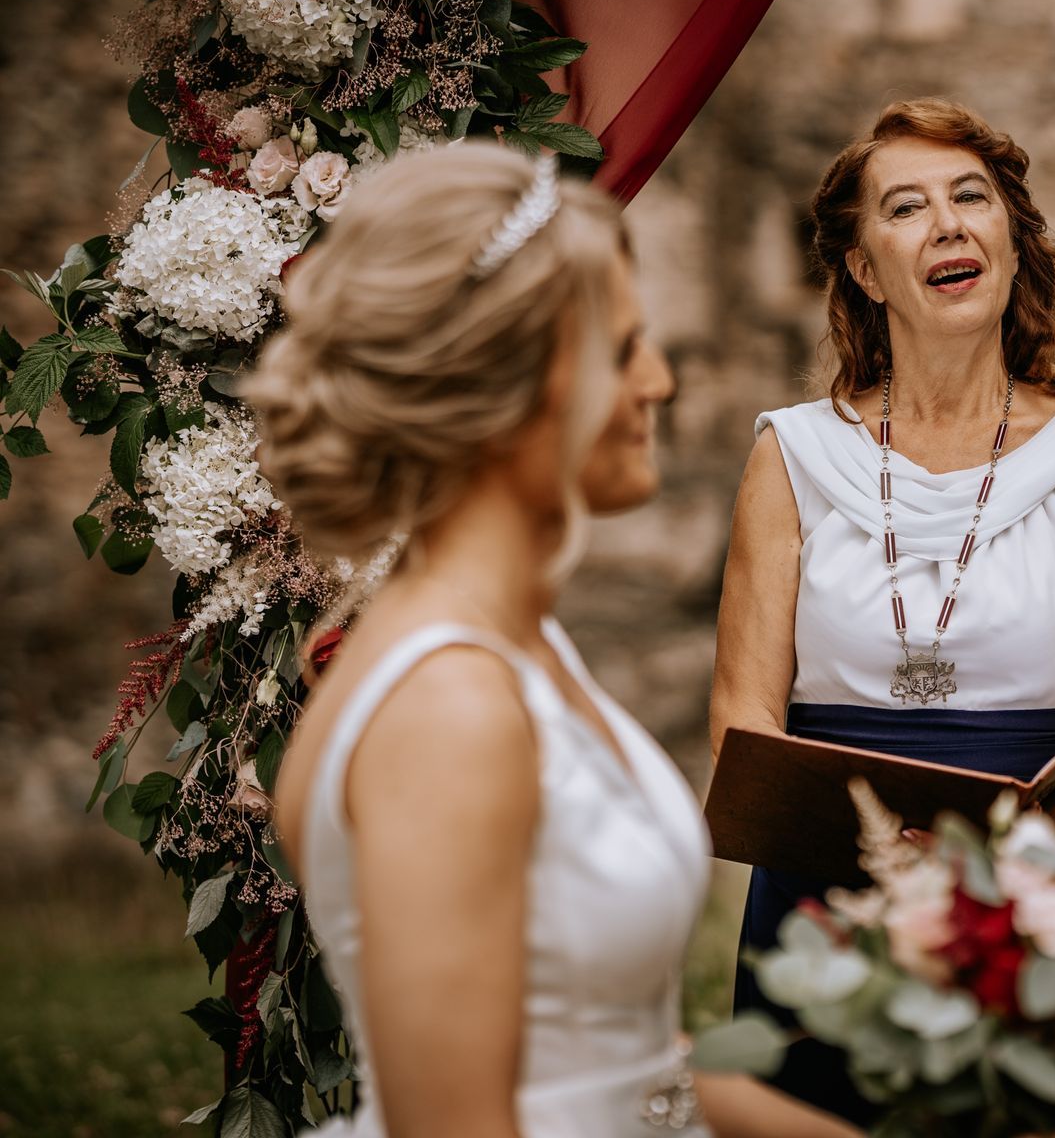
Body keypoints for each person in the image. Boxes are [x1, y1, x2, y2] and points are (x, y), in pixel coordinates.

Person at [252, 147, 851, 1138]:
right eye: (623, 349)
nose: (659, 381)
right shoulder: (450, 707)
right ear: (510, 384)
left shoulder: (524, 648)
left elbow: (628, 1067)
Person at [709, 98, 1055, 1117]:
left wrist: (1008, 897)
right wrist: (869, 873)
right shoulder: (792, 451)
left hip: (1038, 889)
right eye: (906, 208)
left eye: (973, 197)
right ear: (866, 270)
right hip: (825, 889)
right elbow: (742, 709)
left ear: (1010, 239)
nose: (950, 223)